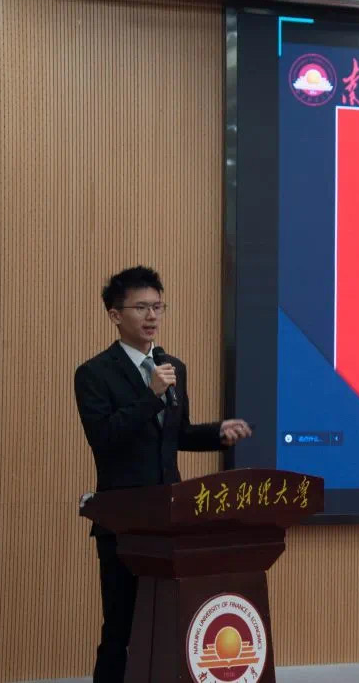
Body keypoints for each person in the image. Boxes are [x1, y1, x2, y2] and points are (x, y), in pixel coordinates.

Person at [73, 265, 252, 683]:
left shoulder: (172, 367)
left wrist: (217, 434)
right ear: (115, 315)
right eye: (141, 307)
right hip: (123, 522)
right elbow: (105, 438)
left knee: (170, 623)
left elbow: (176, 434)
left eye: (158, 306)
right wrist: (151, 395)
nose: (152, 316)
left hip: (170, 521)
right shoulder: (94, 374)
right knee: (120, 628)